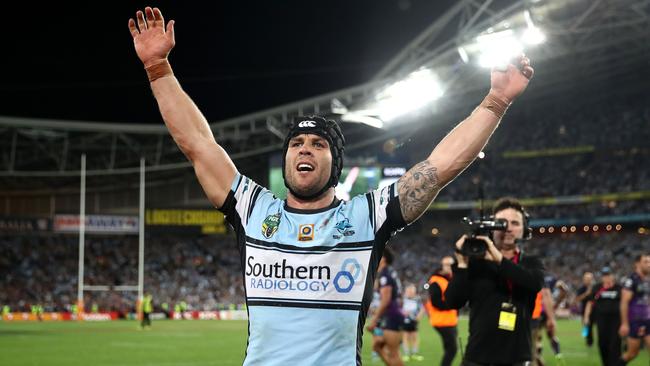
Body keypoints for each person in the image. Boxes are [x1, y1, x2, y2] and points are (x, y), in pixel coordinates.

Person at [128, 6, 534, 364]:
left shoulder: (366, 217)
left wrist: (495, 102)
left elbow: (439, 166)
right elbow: (199, 145)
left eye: (318, 144)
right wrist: (158, 69)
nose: (305, 150)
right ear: (287, 157)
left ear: (334, 163)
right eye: (297, 143)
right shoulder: (254, 210)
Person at [445, 198, 544, 366]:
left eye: (515, 223)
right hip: (477, 358)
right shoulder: (476, 262)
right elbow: (453, 301)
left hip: (517, 358)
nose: (508, 228)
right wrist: (462, 264)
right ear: (491, 227)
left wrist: (496, 257)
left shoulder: (530, 262)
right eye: (502, 222)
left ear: (524, 230)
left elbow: (534, 283)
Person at [367, 249, 405, 366]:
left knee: (393, 353)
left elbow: (386, 299)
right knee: (377, 346)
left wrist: (374, 319)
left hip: (391, 317)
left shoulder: (385, 275)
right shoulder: (389, 272)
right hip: (388, 317)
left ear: (383, 259)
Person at [583, 267, 622, 366]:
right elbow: (590, 302)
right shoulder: (597, 288)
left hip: (616, 321)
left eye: (608, 275)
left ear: (612, 276)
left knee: (615, 344)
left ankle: (614, 363)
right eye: (604, 276)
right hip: (601, 320)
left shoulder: (618, 288)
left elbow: (625, 303)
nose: (606, 278)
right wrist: (586, 316)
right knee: (602, 343)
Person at [425, 255, 458, 366]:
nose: (450, 267)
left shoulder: (448, 279)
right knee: (452, 349)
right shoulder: (436, 281)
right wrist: (453, 304)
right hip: (442, 321)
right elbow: (436, 302)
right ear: (442, 266)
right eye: (447, 265)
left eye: (452, 265)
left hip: (448, 320)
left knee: (450, 349)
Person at [618, 253, 650, 365]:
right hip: (635, 321)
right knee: (632, 353)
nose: (649, 265)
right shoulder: (631, 280)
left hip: (647, 320)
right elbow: (624, 303)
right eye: (646, 262)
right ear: (637, 264)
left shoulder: (647, 280)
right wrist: (624, 324)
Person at [401, 283, 426, 362]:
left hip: (414, 321)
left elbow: (422, 309)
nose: (410, 292)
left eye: (412, 290)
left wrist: (419, 316)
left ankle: (414, 353)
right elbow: (399, 308)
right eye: (409, 290)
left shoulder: (417, 299)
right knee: (405, 337)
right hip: (405, 321)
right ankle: (406, 354)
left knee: (414, 337)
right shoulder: (403, 299)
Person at [575, 271, 595, 346]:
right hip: (584, 310)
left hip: (595, 310)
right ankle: (588, 340)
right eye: (586, 279)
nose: (588, 280)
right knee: (586, 325)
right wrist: (586, 294)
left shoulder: (595, 288)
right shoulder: (581, 289)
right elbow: (577, 299)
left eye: (589, 279)